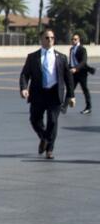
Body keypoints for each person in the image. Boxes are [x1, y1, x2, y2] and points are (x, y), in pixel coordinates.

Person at [19, 30, 75, 160]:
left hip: (55, 93)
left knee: (53, 121)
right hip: (38, 93)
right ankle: (44, 138)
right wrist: (23, 88)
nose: (50, 40)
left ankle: (49, 149)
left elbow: (68, 78)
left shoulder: (61, 57)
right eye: (47, 37)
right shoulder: (32, 57)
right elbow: (25, 74)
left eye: (52, 37)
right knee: (34, 119)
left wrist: (71, 95)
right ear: (41, 39)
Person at [68, 33, 93, 114]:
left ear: (78, 40)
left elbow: (83, 62)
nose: (73, 40)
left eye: (75, 39)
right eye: (72, 39)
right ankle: (63, 106)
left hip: (81, 73)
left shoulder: (82, 49)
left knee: (85, 90)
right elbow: (71, 61)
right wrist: (68, 68)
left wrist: (76, 68)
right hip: (73, 73)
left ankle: (88, 107)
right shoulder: (71, 49)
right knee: (70, 89)